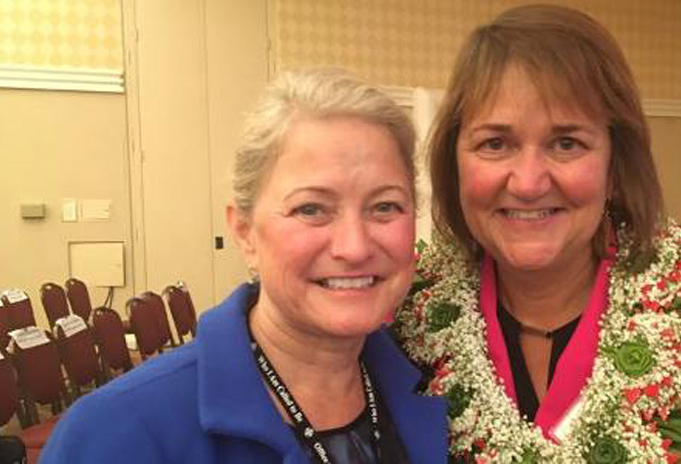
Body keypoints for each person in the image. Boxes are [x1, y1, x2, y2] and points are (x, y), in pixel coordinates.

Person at [40, 69, 448, 463]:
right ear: (245, 232)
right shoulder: (117, 434)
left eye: (384, 207)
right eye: (311, 209)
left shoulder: (440, 386)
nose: (355, 247)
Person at [394, 4, 681, 463]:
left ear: (614, 165)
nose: (528, 183)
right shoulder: (402, 322)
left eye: (566, 143)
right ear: (455, 163)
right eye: (495, 143)